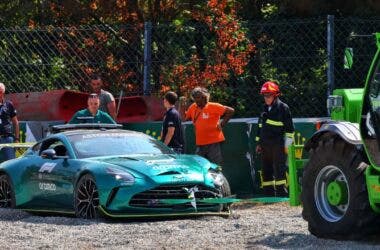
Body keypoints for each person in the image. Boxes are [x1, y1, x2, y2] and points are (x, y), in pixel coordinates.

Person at [255, 81, 294, 197]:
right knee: (266, 168)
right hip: (265, 144)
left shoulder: (283, 108)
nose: (266, 98)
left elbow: (290, 130)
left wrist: (287, 146)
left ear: (275, 95)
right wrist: (258, 143)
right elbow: (260, 127)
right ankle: (269, 194)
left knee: (279, 169)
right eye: (264, 95)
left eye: (269, 95)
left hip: (277, 144)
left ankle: (282, 193)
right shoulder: (264, 108)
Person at [183, 87, 234, 165]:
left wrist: (222, 124)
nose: (196, 100)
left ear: (204, 97)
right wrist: (181, 105)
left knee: (215, 166)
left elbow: (231, 111)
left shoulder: (214, 106)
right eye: (195, 98)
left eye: (198, 97)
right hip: (200, 143)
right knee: (198, 166)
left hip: (213, 142)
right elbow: (183, 118)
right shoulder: (193, 107)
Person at [0, 83, 19, 160]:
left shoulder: (8, 104)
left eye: (0, 91)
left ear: (3, 92)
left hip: (7, 138)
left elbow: (15, 122)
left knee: (10, 161)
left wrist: (17, 139)